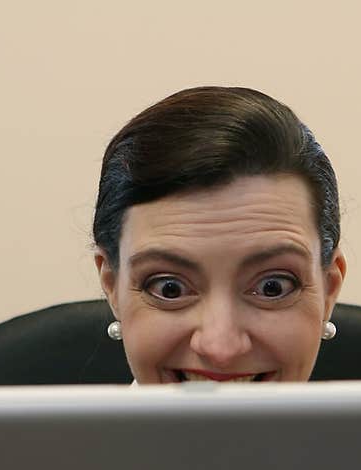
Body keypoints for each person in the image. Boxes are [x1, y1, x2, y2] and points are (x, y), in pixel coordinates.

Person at [92, 86, 346, 384]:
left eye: (272, 287)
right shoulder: (33, 433)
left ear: (329, 288)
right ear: (112, 286)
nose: (221, 349)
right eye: (169, 288)